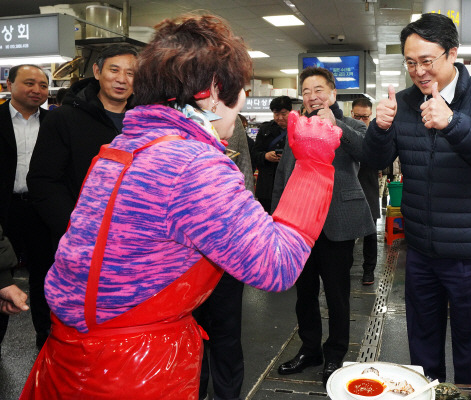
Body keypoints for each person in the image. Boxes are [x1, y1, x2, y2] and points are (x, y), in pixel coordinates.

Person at [20, 14, 341, 400]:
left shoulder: (123, 146)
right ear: (215, 91)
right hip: (133, 371)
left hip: (71, 358)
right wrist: (313, 165)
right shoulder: (191, 163)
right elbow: (276, 264)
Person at [363, 13, 471, 385]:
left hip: (470, 250)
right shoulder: (402, 102)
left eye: (427, 61)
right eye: (410, 62)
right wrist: (380, 129)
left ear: (452, 54)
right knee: (422, 346)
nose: (418, 71)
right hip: (420, 250)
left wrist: (454, 122)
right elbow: (375, 162)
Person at [273, 67, 375, 386]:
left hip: (336, 222)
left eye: (319, 90)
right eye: (306, 92)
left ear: (332, 94)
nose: (313, 96)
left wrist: (338, 126)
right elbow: (283, 174)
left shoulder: (351, 125)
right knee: (304, 294)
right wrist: (275, 217)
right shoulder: (297, 128)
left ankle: (335, 353)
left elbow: (370, 155)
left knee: (337, 293)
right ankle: (310, 349)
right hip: (300, 225)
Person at [28, 44, 137, 252]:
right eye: (114, 70)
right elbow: (43, 181)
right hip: (78, 241)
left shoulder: (146, 121)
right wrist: (73, 229)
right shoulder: (63, 118)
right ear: (97, 71)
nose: (122, 79)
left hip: (134, 241)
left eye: (131, 73)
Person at [193, 114, 254, 400]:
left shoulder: (230, 118)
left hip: (226, 246)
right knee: (190, 329)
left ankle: (228, 395)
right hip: (182, 252)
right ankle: (194, 391)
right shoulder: (170, 114)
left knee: (227, 329)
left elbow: (244, 177)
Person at [0, 64, 53, 350]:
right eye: (29, 83)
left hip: (40, 211)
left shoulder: (56, 123)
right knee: (1, 276)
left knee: (44, 277)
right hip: (4, 211)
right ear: (9, 85)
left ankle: (46, 342)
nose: (37, 90)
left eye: (43, 85)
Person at [351, 98, 380, 285]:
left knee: (370, 234)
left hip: (368, 188)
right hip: (348, 188)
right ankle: (343, 268)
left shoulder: (376, 135)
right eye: (357, 116)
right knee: (345, 234)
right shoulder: (342, 130)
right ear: (352, 114)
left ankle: (369, 271)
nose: (361, 121)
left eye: (365, 117)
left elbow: (381, 162)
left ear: (371, 116)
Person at [251, 96, 292, 213]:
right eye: (276, 114)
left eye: (283, 114)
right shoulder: (265, 130)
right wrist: (265, 156)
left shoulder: (299, 128)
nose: (279, 118)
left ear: (291, 111)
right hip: (267, 186)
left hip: (288, 184)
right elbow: (254, 154)